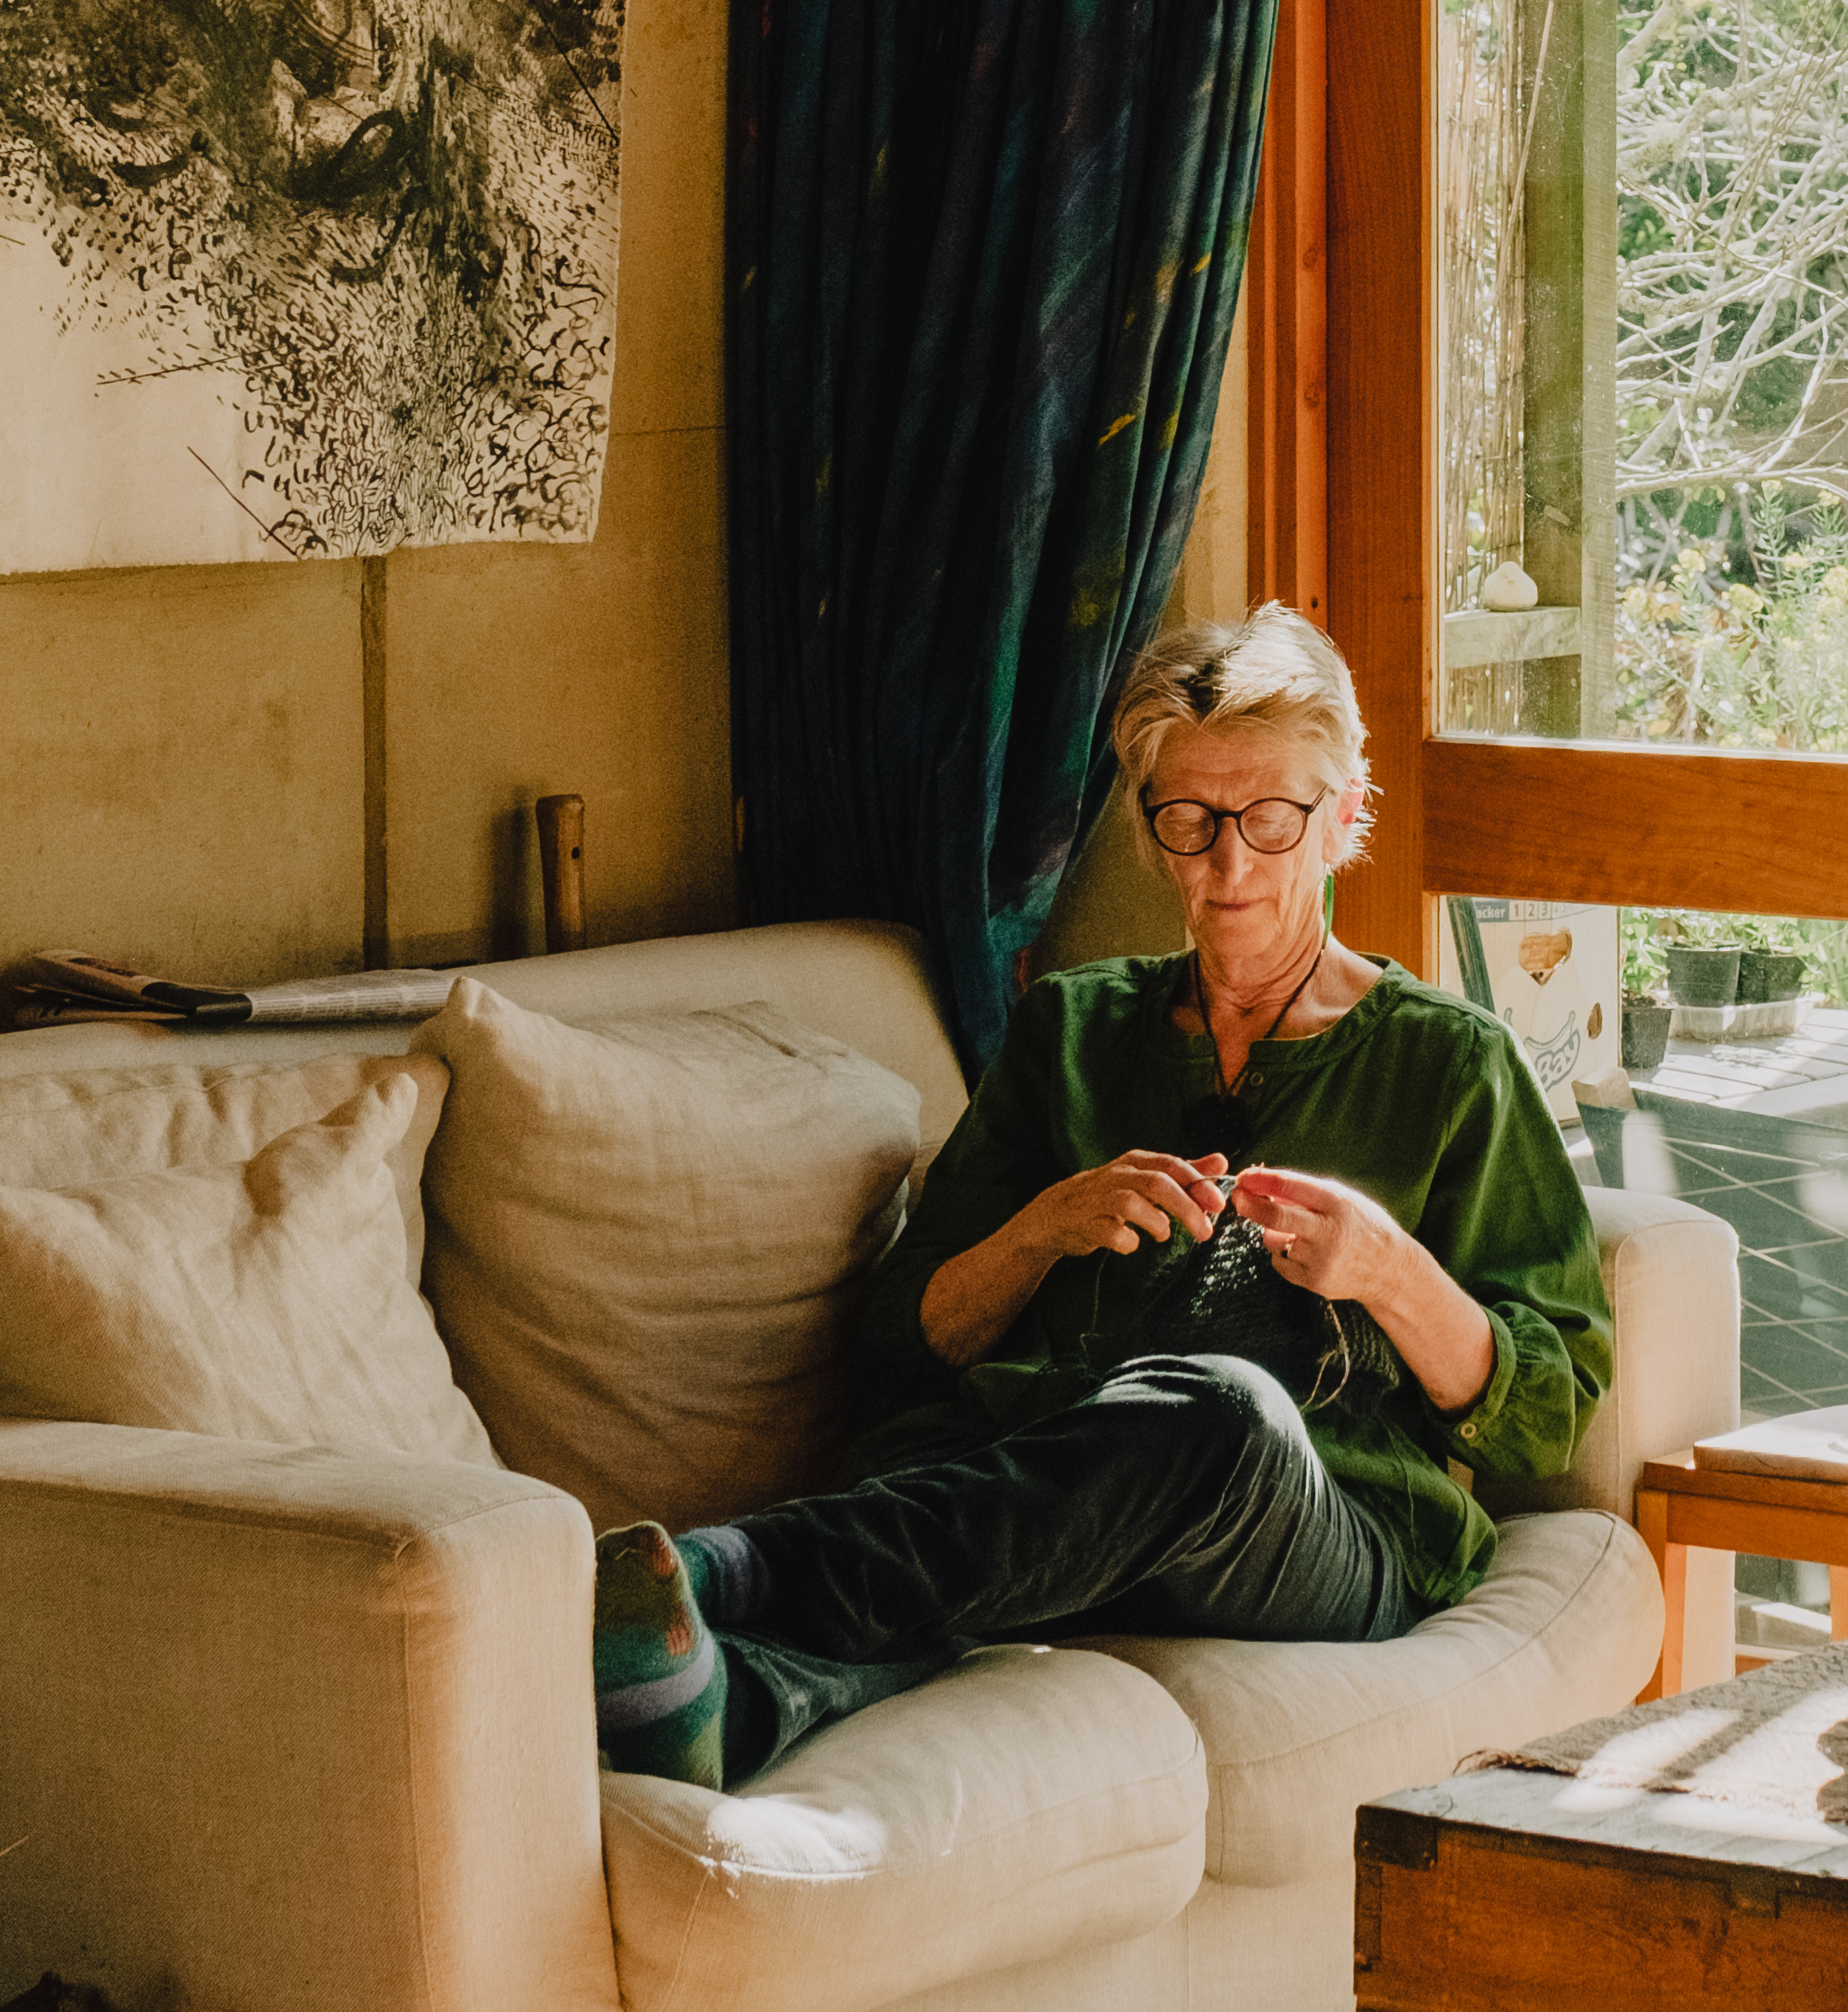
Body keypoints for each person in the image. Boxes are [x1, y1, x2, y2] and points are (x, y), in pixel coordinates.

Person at [590, 604, 1614, 1787]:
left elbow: (1549, 1415)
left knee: (1219, 1414)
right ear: (1149, 831)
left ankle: (739, 1571)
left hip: (1315, 1526)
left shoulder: (1451, 1064)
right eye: (1191, 821)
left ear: (1343, 819)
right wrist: (1043, 1230)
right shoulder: (1071, 1030)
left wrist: (1390, 1271)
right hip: (1045, 1499)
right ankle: (733, 1706)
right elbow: (903, 1342)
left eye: (1272, 820)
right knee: (1035, 1522)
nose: (1229, 863)